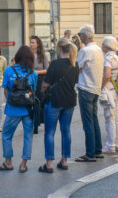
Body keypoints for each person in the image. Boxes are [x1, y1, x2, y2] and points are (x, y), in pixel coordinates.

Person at [0, 46, 38, 173]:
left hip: (12, 110)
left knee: (7, 135)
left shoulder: (8, 70)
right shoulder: (33, 73)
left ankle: (8, 162)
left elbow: (6, 91)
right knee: (28, 136)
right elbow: (33, 92)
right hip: (28, 110)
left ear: (17, 56)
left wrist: (13, 101)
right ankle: (23, 164)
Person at [39, 39, 78, 173]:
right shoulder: (74, 64)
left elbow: (45, 84)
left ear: (59, 49)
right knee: (66, 130)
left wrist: (43, 90)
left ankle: (49, 163)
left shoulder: (54, 64)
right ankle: (64, 161)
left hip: (54, 101)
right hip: (69, 101)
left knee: (50, 132)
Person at [75, 25, 104, 162]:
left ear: (85, 35)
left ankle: (90, 153)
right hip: (96, 88)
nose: (79, 37)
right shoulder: (98, 49)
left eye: (80, 34)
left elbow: (77, 68)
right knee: (94, 120)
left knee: (87, 122)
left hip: (85, 87)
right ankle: (97, 150)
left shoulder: (85, 50)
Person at [99, 37, 118, 153]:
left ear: (107, 46)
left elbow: (107, 75)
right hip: (116, 90)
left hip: (109, 90)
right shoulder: (117, 57)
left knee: (109, 118)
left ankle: (110, 145)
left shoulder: (108, 57)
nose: (102, 46)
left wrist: (101, 86)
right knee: (117, 118)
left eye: (103, 44)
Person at [30, 35, 49, 124]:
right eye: (30, 42)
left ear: (38, 44)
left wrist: (36, 72)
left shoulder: (43, 56)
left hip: (40, 80)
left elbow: (47, 69)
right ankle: (33, 119)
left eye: (33, 42)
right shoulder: (28, 55)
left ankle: (40, 119)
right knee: (31, 100)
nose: (31, 44)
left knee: (40, 100)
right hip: (30, 80)